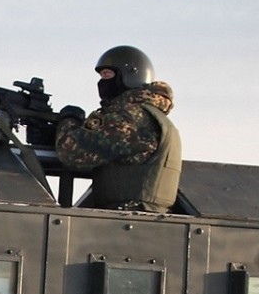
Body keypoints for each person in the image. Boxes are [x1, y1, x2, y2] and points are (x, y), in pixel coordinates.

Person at [54, 45, 182, 213]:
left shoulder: (129, 118)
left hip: (127, 218)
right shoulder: (152, 116)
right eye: (101, 76)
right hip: (140, 217)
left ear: (130, 75)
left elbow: (71, 152)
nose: (102, 82)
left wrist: (68, 120)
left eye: (108, 75)